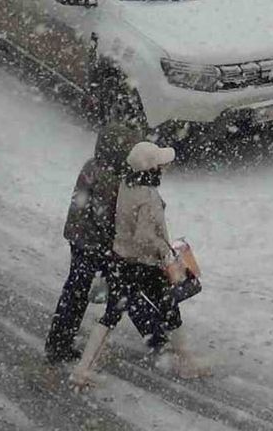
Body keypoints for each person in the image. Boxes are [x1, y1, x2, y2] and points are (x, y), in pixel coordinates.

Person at [71, 141, 205, 387]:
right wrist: (166, 250)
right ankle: (186, 362)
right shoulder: (147, 196)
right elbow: (143, 237)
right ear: (150, 169)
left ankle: (84, 369)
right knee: (166, 307)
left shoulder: (127, 184)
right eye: (161, 165)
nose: (165, 168)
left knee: (115, 314)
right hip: (141, 264)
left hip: (122, 260)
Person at [44, 123, 141, 363]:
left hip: (79, 237)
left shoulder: (93, 165)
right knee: (84, 290)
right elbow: (103, 215)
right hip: (91, 242)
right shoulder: (109, 175)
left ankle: (59, 340)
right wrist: (116, 240)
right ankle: (61, 344)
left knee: (75, 289)